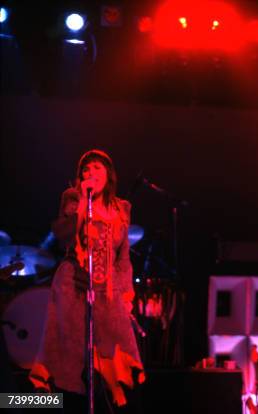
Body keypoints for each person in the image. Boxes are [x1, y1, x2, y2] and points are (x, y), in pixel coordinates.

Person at [29, 150, 144, 409]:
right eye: (86, 169)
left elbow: (123, 258)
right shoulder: (72, 199)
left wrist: (127, 295)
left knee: (115, 363)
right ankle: (43, 403)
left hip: (109, 290)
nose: (90, 173)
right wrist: (83, 203)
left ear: (109, 174)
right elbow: (64, 236)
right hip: (74, 285)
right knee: (70, 359)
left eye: (97, 168)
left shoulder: (121, 208)